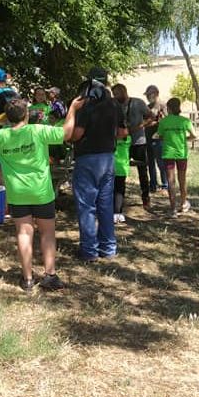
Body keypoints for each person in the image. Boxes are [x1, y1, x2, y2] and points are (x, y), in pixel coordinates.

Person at [0, 97, 78, 290]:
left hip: (17, 194)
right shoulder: (37, 130)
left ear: (7, 116)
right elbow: (67, 132)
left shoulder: (1, 135)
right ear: (26, 114)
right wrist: (72, 107)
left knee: (24, 232)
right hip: (41, 192)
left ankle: (28, 278)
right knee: (47, 233)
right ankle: (50, 274)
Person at [68, 67, 125, 261]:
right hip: (108, 159)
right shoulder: (115, 105)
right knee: (105, 205)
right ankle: (109, 249)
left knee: (86, 205)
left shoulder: (86, 104)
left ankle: (89, 251)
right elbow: (122, 133)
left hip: (87, 158)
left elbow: (77, 134)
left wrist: (68, 136)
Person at [112, 84, 154, 208]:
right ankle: (119, 200)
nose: (115, 96)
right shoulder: (114, 105)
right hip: (122, 144)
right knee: (120, 172)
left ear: (124, 91)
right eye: (114, 94)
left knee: (142, 171)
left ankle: (145, 197)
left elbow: (151, 117)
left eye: (117, 93)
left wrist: (141, 125)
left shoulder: (138, 102)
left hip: (138, 142)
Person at [155, 97, 196, 216]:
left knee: (171, 181)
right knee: (182, 180)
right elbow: (194, 136)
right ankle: (183, 204)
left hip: (168, 153)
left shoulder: (163, 122)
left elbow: (160, 136)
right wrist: (185, 139)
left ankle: (172, 209)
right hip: (182, 154)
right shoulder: (185, 121)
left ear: (168, 108)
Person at [143, 85, 168, 193]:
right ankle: (153, 184)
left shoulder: (163, 105)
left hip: (159, 138)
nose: (148, 97)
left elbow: (166, 121)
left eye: (150, 94)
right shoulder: (147, 107)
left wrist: (155, 122)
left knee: (161, 162)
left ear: (156, 93)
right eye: (147, 95)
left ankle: (165, 185)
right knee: (150, 163)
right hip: (148, 137)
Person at [113, 130, 131, 225]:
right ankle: (118, 212)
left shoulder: (111, 140)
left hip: (111, 167)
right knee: (120, 191)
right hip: (122, 169)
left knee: (111, 190)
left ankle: (112, 212)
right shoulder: (128, 139)